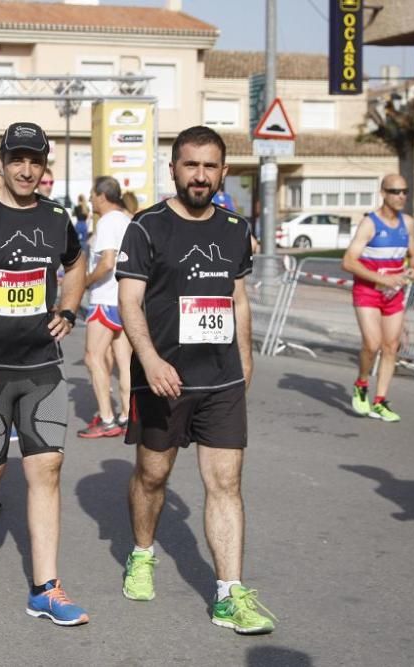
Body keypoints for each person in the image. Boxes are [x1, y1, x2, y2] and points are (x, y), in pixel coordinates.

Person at [116, 125, 277, 634]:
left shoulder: (233, 228)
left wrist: (246, 358)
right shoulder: (147, 227)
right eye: (191, 165)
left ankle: (230, 593)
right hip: (162, 379)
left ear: (223, 172)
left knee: (226, 484)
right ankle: (142, 553)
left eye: (210, 166)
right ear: (174, 169)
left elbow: (238, 297)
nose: (200, 175)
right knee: (153, 476)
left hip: (221, 378)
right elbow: (129, 301)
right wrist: (150, 360)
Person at [0, 121, 89, 625]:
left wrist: (69, 309)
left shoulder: (56, 218)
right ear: (3, 164)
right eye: (17, 161)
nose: (27, 170)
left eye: (35, 161)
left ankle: (46, 587)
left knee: (46, 469)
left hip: (42, 370)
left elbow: (76, 264)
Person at [341, 174, 414, 422]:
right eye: (395, 191)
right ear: (383, 193)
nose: (401, 196)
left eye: (404, 191)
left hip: (393, 295)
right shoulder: (370, 223)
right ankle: (362, 383)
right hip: (367, 292)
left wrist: (412, 271)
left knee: (390, 347)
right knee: (372, 344)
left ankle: (379, 401)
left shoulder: (407, 223)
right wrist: (382, 278)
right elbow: (348, 261)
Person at [78, 176, 132, 439]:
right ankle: (127, 415)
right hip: (124, 299)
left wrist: (84, 283)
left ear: (102, 195)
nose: (90, 199)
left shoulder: (109, 221)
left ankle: (108, 419)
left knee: (93, 357)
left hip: (105, 298)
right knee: (124, 362)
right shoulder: (126, 218)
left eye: (92, 194)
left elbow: (107, 262)